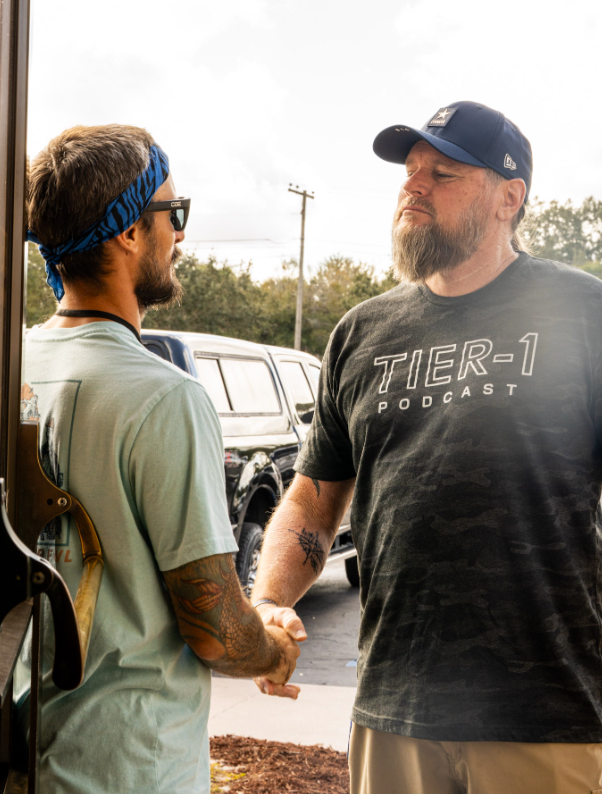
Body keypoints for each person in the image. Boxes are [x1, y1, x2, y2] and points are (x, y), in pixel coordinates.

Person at [251, 101, 602, 793]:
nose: (415, 186)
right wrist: (267, 607)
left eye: (442, 173)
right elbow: (315, 497)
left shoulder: (583, 315)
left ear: (509, 198)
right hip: (393, 709)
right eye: (411, 172)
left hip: (546, 712)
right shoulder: (361, 333)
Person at [16, 124, 305, 794]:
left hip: (23, 753)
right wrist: (272, 645)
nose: (180, 234)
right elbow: (211, 627)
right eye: (172, 215)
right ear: (128, 233)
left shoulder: (13, 367)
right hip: (127, 767)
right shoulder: (163, 399)